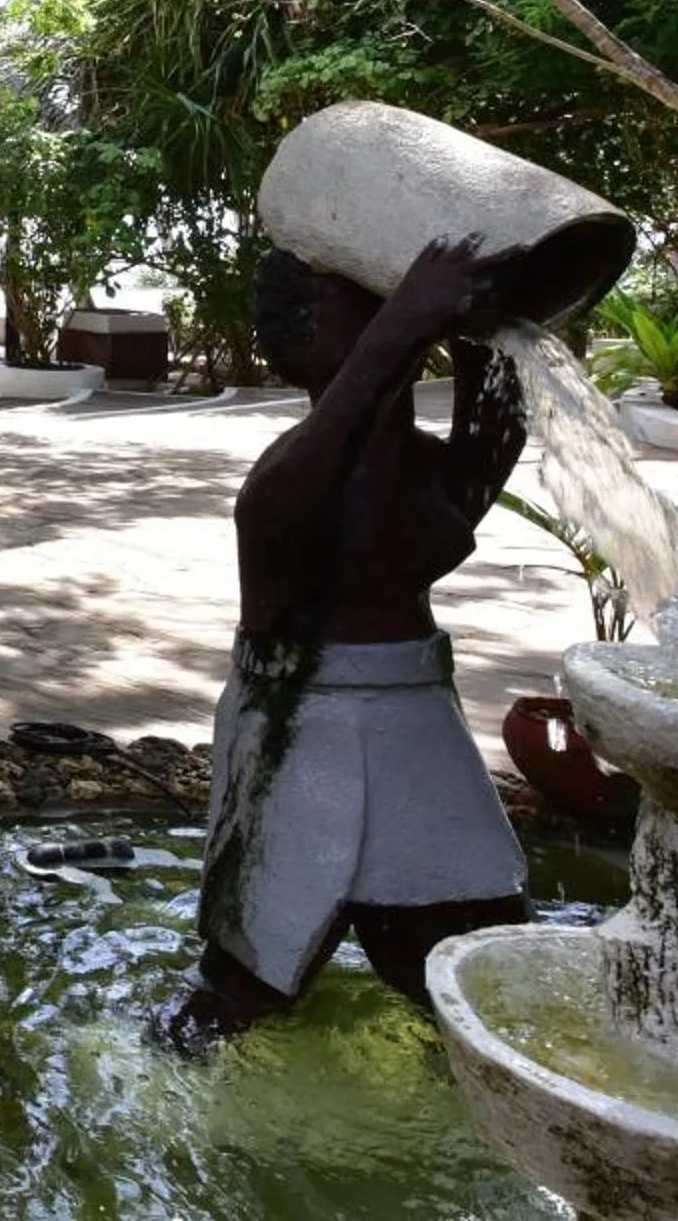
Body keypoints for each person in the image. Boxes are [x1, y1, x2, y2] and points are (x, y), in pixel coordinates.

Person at [170, 236, 533, 1044]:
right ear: (309, 337)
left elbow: (497, 428)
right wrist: (404, 322)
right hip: (303, 738)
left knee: (483, 960)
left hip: (417, 730)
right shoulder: (283, 485)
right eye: (360, 297)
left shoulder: (419, 474)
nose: (384, 301)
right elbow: (343, 421)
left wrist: (492, 330)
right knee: (247, 969)